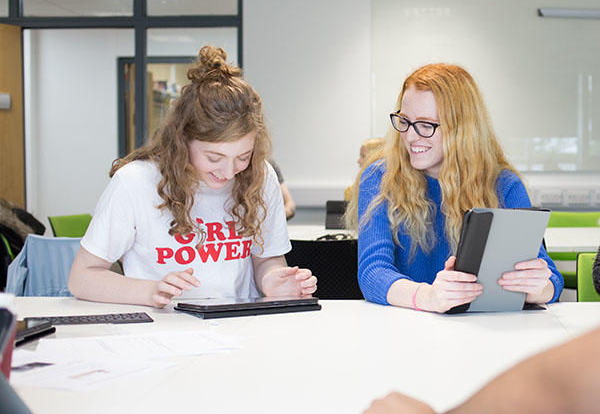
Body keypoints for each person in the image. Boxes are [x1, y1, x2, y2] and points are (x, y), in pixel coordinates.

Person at [68, 46, 317, 308]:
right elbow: (82, 277)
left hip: (239, 325)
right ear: (182, 140)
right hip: (160, 330)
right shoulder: (136, 182)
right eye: (214, 157)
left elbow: (265, 259)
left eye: (242, 156)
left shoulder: (259, 174)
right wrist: (150, 291)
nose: (229, 171)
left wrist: (271, 279)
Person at [346, 63, 563, 312]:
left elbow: (552, 280)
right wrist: (429, 297)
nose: (411, 136)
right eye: (404, 121)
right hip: (406, 327)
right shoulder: (379, 177)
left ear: (462, 129)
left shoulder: (503, 185)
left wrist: (539, 287)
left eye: (426, 125)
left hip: (483, 331)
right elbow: (373, 273)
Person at [363, 325, 600, 414]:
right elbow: (373, 272)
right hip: (410, 339)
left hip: (489, 335)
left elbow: (550, 277)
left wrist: (544, 285)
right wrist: (424, 294)